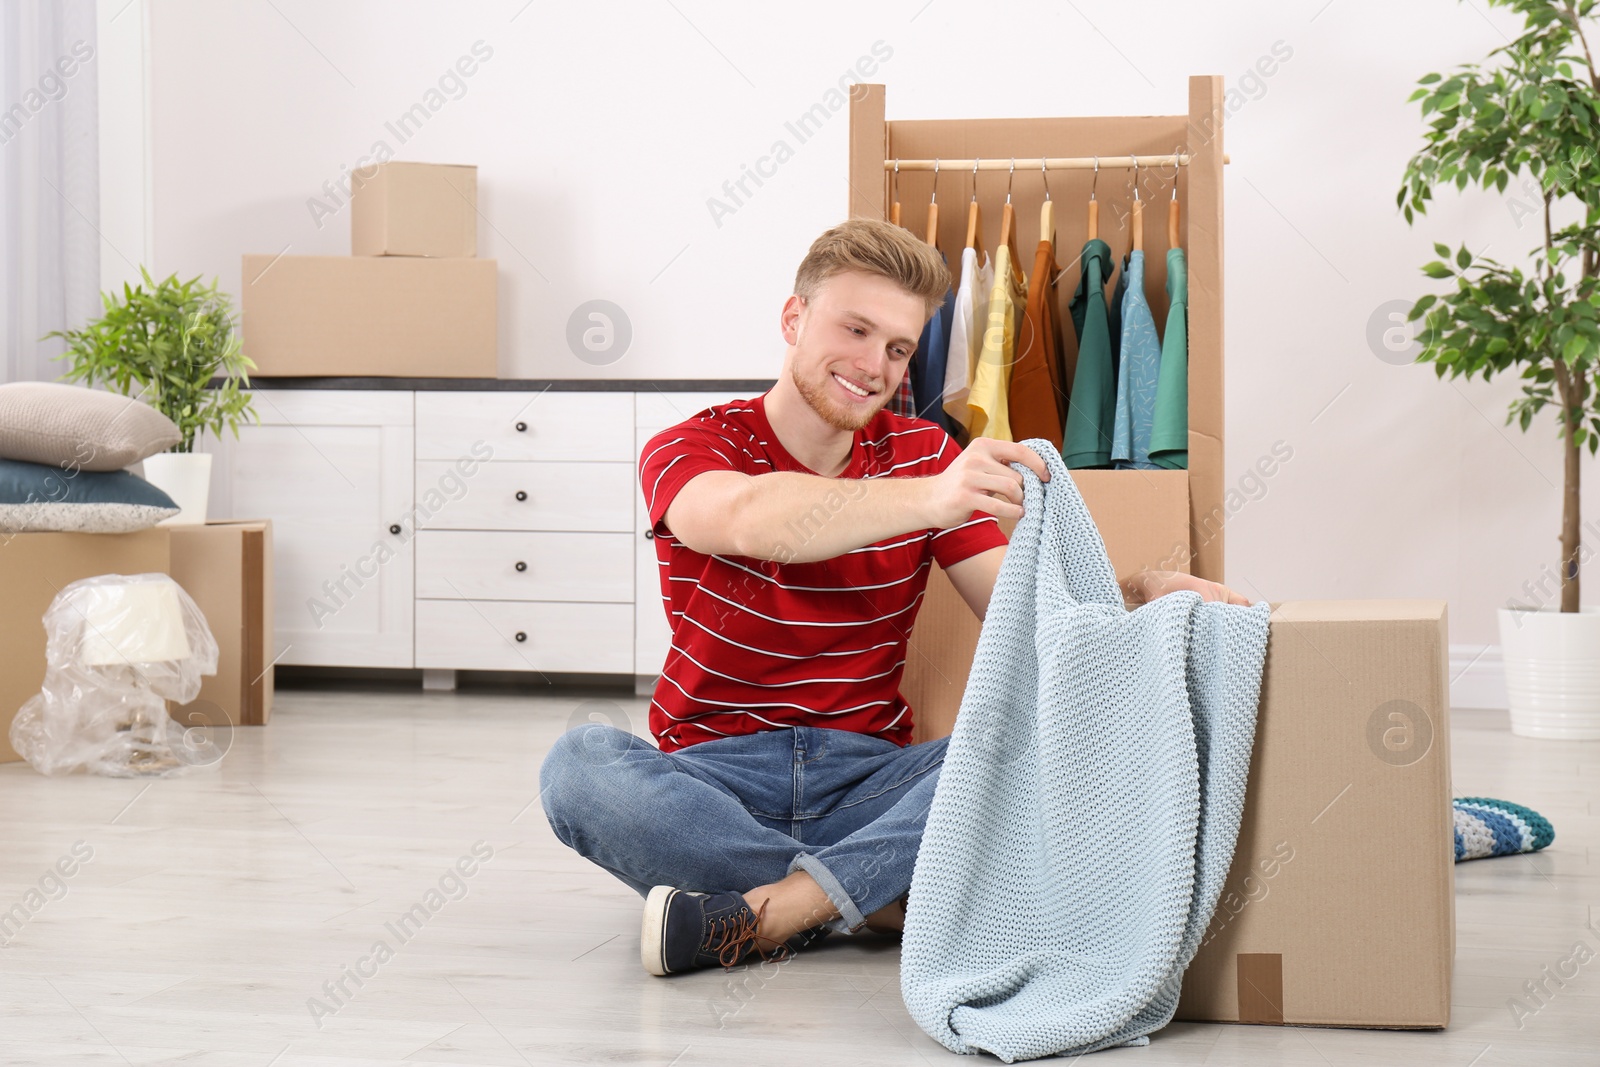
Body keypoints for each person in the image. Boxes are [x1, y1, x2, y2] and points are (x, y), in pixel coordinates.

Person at [539, 217, 1247, 978]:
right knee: (578, 766)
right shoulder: (693, 444)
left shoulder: (922, 454)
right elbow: (744, 519)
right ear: (793, 318)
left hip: (871, 778)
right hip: (713, 778)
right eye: (856, 329)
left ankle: (770, 912)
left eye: (899, 348)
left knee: (1031, 740)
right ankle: (876, 898)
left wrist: (1139, 590)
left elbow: (1027, 609)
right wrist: (930, 498)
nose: (874, 365)